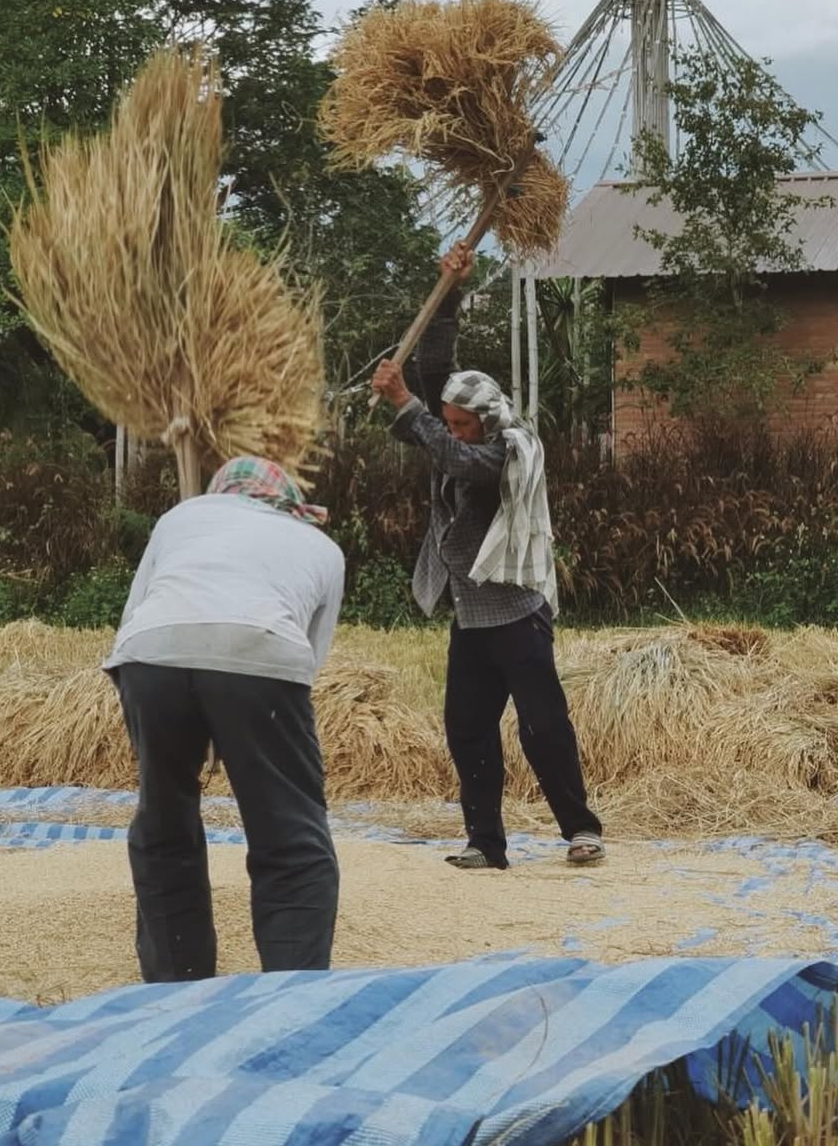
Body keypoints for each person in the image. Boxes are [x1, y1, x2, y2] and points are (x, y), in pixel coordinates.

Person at [372, 243, 604, 870]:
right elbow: (432, 364)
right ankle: (485, 844)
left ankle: (581, 831)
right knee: (468, 731)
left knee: (542, 727)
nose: (449, 432)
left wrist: (406, 408)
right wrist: (449, 290)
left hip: (517, 613)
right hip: (471, 620)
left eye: (459, 423)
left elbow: (456, 459)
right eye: (445, 422)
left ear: (484, 420)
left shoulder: (509, 448)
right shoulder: (458, 431)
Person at [103, 455, 345, 983]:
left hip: (151, 656)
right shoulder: (323, 548)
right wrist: (240, 718)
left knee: (164, 826)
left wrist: (183, 713)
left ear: (221, 493)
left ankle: (176, 985)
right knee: (290, 837)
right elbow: (307, 656)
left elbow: (134, 615)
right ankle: (293, 990)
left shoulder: (182, 518)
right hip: (263, 656)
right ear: (289, 505)